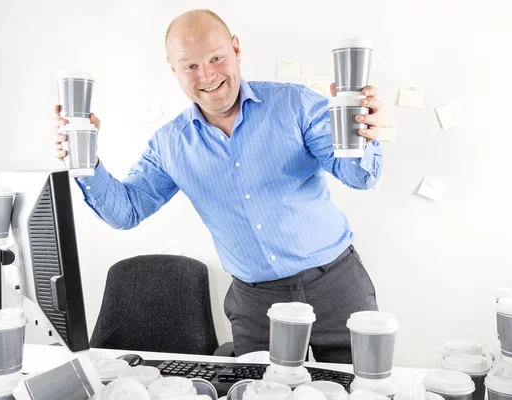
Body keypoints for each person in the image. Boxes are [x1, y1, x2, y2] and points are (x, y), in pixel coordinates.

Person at [53, 9, 384, 363]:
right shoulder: (170, 144)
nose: (207, 75)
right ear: (173, 70)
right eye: (190, 66)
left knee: (361, 390)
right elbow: (127, 212)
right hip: (256, 304)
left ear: (236, 50)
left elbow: (359, 176)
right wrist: (86, 164)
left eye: (216, 58)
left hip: (336, 286)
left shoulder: (296, 105)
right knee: (262, 391)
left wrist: (361, 131)